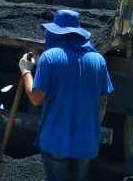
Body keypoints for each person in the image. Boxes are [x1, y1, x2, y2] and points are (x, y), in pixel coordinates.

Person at [18, 10, 114, 181]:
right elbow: (103, 102)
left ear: (56, 33)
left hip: (55, 141)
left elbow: (35, 98)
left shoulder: (50, 58)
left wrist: (26, 71)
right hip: (86, 143)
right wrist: (90, 129)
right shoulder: (98, 60)